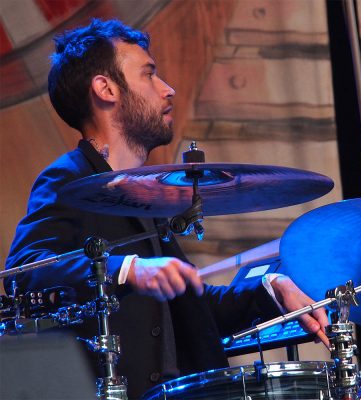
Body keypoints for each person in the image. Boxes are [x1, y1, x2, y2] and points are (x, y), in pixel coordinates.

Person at [5, 19, 328, 398]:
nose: (167, 88)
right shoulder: (68, 179)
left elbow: (192, 310)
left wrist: (271, 289)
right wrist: (129, 269)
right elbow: (25, 270)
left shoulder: (146, 195)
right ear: (106, 88)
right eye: (149, 74)